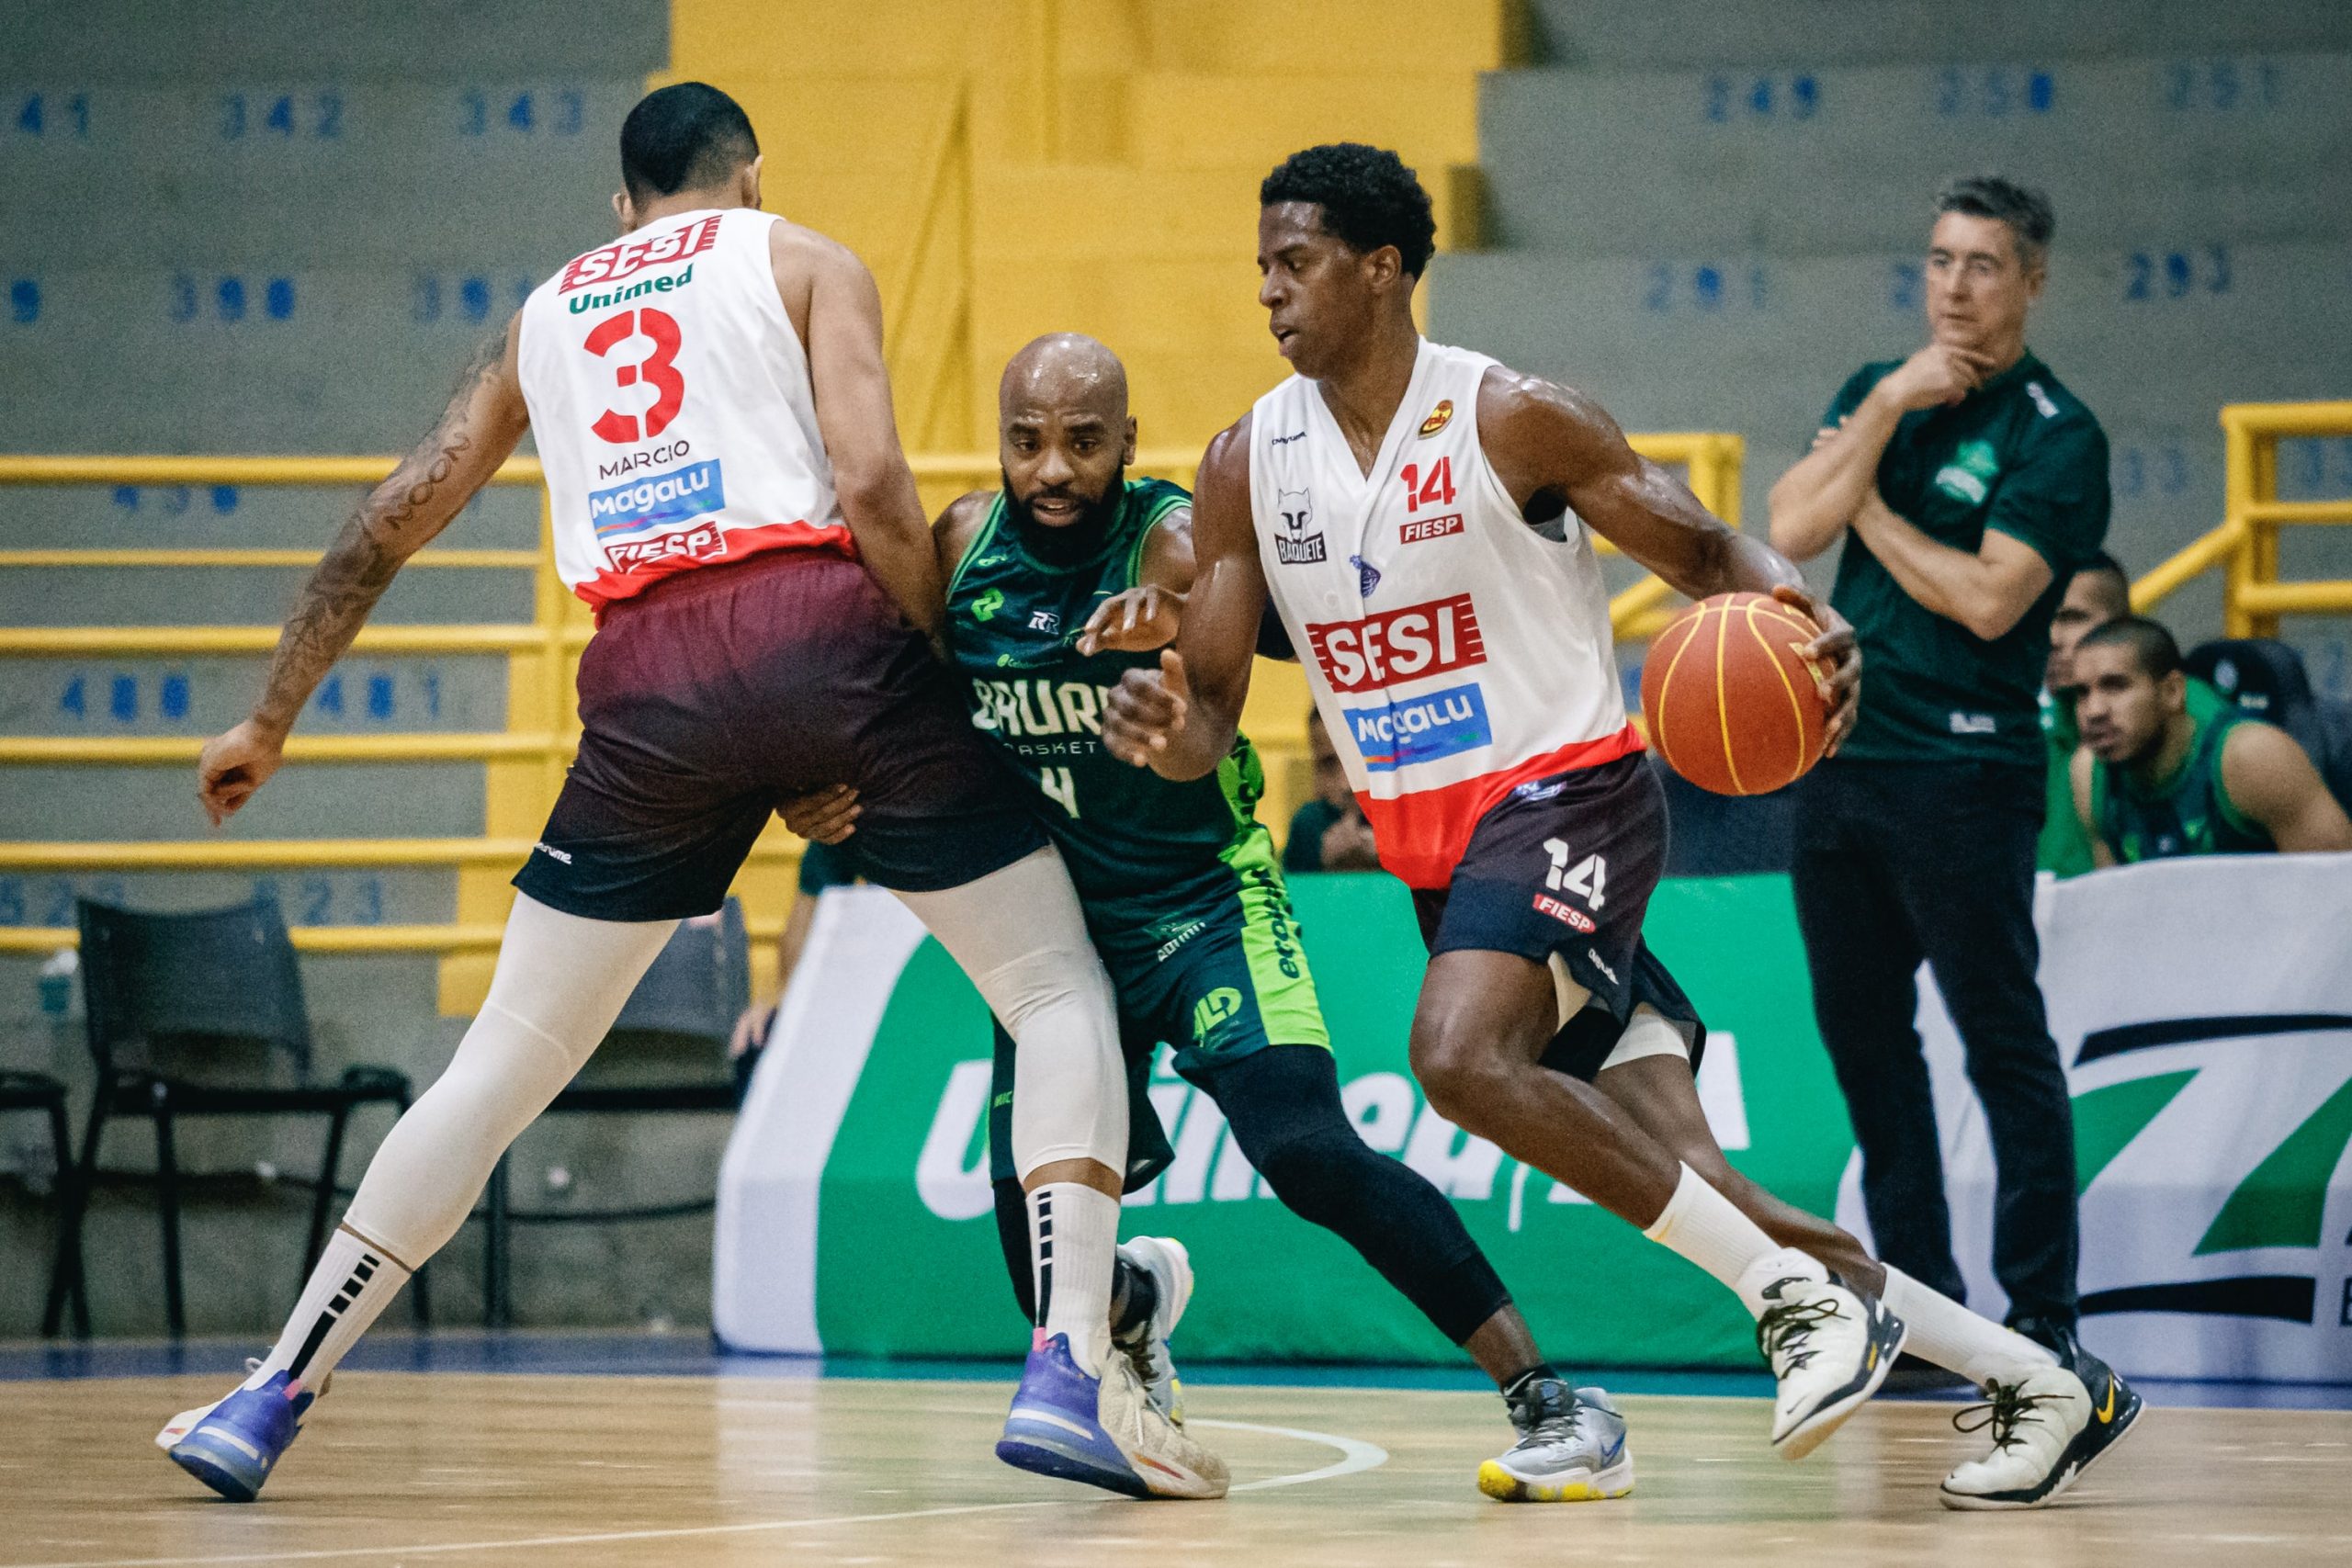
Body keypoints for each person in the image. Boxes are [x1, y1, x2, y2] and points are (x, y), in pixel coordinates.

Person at [159, 82, 1220, 1504]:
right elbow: (875, 486)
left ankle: (272, 1388)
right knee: (1053, 989)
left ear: (623, 207)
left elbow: (392, 516)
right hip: (822, 632)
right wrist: (902, 689)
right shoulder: (804, 259)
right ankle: (1068, 1364)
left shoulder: (544, 316)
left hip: (645, 683)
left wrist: (270, 714)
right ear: (752, 175)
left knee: (502, 1059)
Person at [1101, 141, 2137, 1507]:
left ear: (1383, 268)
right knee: (1699, 1182)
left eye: (1295, 264)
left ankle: (1791, 1301)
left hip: (1572, 795)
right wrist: (1170, 727)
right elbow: (1213, 709)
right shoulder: (1247, 462)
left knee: (1455, 1056)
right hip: (1445, 857)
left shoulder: (1512, 418)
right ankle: (2044, 1380)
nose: (1269, 294)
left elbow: (1707, 550)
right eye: (1262, 269)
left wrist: (1802, 613)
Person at [793, 331, 1636, 1502]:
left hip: (1203, 904)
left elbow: (1254, 633)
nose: (1052, 469)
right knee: (1037, 1264)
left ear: (1127, 443)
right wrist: (823, 789)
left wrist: (1179, 625)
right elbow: (904, 704)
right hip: (1049, 936)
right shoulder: (961, 545)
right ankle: (1137, 1302)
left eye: (1082, 442)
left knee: (1307, 1153)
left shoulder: (1176, 539)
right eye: (1026, 442)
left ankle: (1549, 1396)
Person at [1765, 175, 2105, 1375]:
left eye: (1983, 265)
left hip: (1965, 770)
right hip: (1841, 761)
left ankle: (2043, 1313)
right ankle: (1920, 1304)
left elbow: (1990, 596)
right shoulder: (1881, 389)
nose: (1955, 288)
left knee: (2001, 1043)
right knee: (1867, 1042)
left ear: (2031, 282)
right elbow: (1790, 528)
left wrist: (1868, 507)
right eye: (1940, 261)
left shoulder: (2056, 432)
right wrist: (1884, 411)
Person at [2072, 616, 2352, 863]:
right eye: (2082, 693)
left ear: (2172, 692)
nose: (2093, 711)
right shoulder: (2089, 774)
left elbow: (2338, 887)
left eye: (2116, 686)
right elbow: (2116, 901)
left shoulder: (2251, 757)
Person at [2039, 555, 2233, 876]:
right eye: (2037, 618)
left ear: (2122, 624)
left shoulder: (2203, 725)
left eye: (2071, 618)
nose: (2050, 638)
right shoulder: (2048, 708)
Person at [1283, 709, 1383, 873]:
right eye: (1329, 764)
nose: (1346, 785)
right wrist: (1320, 867)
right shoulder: (1309, 826)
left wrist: (1393, 859)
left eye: (1360, 761)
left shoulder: (1411, 820)